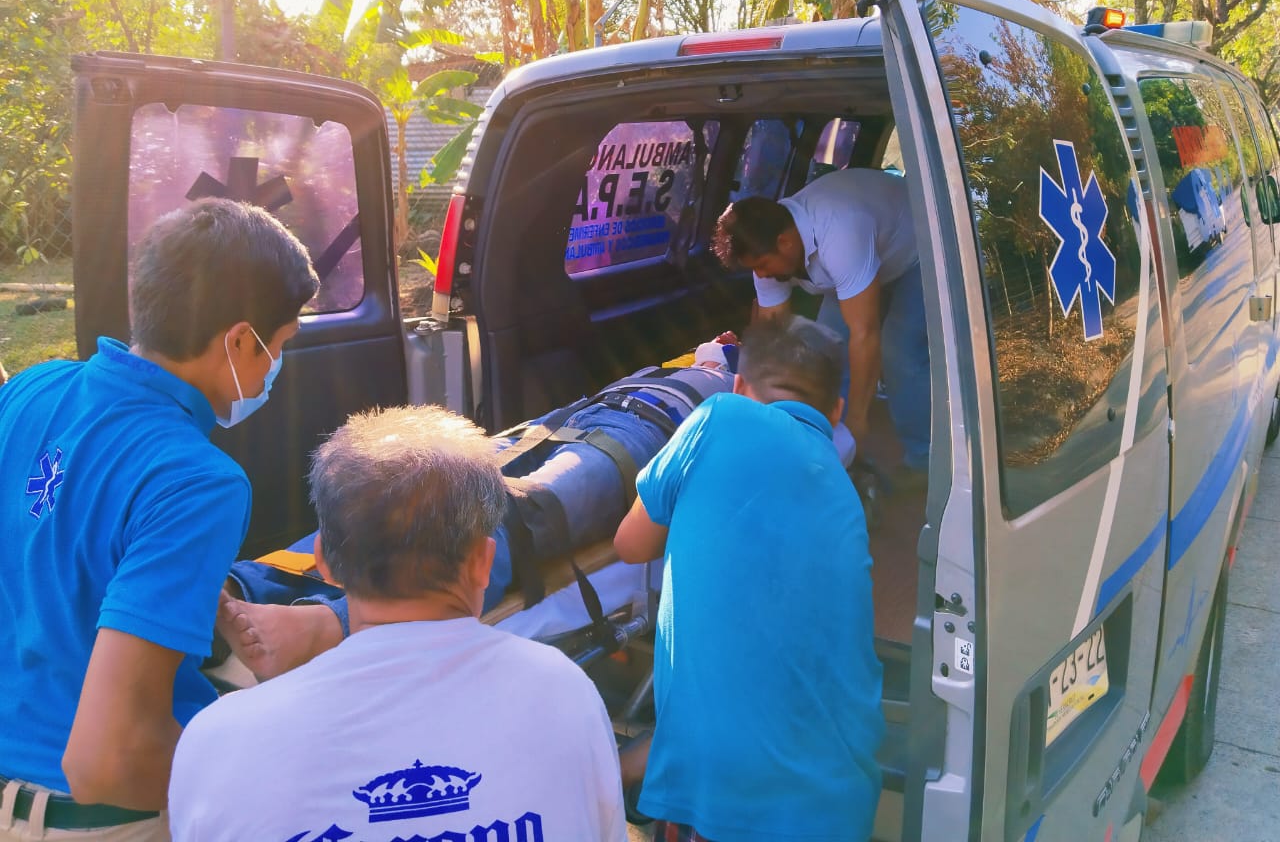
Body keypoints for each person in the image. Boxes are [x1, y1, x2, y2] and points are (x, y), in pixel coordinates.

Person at [0, 199, 317, 840]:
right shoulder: (197, 481)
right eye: (278, 347)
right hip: (89, 817)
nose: (277, 367)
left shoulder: (31, 389)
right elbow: (109, 760)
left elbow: (52, 538)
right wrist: (275, 785)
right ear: (237, 341)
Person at [169, 406, 628, 842]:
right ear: (484, 563)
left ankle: (293, 606)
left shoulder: (216, 740)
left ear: (324, 563)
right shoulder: (564, 691)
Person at [213, 339, 765, 681]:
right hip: (584, 415)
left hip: (642, 443)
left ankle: (326, 624)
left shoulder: (748, 395)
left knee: (518, 512)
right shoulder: (689, 357)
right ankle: (245, 584)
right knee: (399, 490)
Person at [615, 316, 884, 842]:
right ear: (835, 413)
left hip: (734, 804)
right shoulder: (842, 492)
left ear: (738, 386)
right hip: (841, 801)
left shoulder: (718, 417)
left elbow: (631, 545)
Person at [711, 167, 930, 479]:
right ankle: (829, 443)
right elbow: (772, 340)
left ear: (784, 243)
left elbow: (865, 334)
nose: (760, 275)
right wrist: (754, 413)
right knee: (828, 351)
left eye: (761, 266)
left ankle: (923, 461)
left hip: (917, 252)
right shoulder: (770, 247)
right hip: (863, 260)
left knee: (900, 354)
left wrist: (857, 420)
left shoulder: (839, 230)